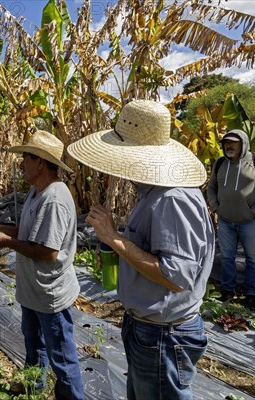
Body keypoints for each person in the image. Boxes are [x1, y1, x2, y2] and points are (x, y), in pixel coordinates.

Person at [67, 100, 214, 400]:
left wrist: (115, 239)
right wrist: (117, 245)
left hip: (163, 335)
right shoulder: (153, 192)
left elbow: (177, 276)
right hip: (147, 329)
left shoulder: (172, 199)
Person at [0, 130, 85, 400]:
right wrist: (4, 228)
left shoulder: (54, 199)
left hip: (51, 296)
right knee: (34, 347)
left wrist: (5, 241)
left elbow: (49, 251)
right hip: (33, 292)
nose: (21, 163)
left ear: (40, 163)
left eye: (26, 158)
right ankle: (33, 388)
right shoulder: (36, 192)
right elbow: (31, 231)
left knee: (62, 360)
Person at [207, 129, 255, 310]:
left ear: (243, 144)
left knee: (253, 258)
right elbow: (211, 186)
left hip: (250, 221)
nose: (229, 145)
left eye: (233, 142)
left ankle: (251, 294)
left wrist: (254, 211)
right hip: (225, 220)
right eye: (226, 143)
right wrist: (215, 207)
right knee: (227, 257)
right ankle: (227, 291)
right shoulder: (220, 163)